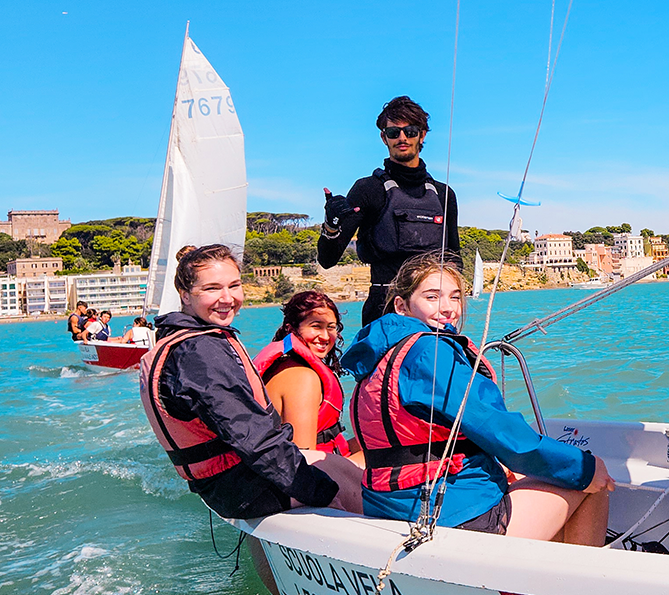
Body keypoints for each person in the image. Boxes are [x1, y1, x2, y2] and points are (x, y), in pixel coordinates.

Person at [341, 254, 614, 543]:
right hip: (452, 515)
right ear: (402, 306)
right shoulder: (429, 353)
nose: (448, 309)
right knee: (591, 484)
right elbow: (498, 429)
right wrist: (583, 468)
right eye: (432, 297)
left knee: (540, 477)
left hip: (388, 506)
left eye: (455, 297)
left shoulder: (379, 357)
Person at [139, 244, 361, 520]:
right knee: (346, 481)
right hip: (242, 489)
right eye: (212, 289)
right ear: (185, 295)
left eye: (234, 285)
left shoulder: (182, 339)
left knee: (340, 466)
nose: (227, 298)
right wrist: (322, 493)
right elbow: (254, 439)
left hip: (226, 484)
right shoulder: (201, 354)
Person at [317, 96, 461, 326]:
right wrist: (331, 225)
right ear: (384, 138)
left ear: (422, 135)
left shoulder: (444, 194)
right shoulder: (367, 190)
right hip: (383, 314)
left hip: (434, 313)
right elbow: (327, 260)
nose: (402, 138)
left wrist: (453, 305)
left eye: (410, 131)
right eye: (394, 133)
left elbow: (455, 261)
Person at [252, 290, 362, 464]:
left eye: (331, 327)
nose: (325, 337)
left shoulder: (286, 366)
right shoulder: (301, 378)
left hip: (328, 462)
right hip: (312, 479)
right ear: (291, 329)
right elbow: (304, 463)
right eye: (316, 326)